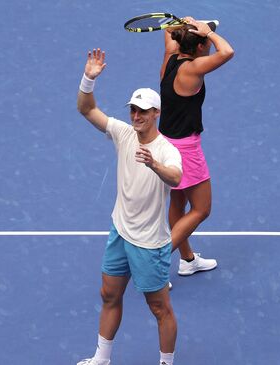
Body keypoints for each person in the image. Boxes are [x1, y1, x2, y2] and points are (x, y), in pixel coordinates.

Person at [76, 48, 183, 365]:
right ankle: (102, 358)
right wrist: (88, 79)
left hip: (149, 244)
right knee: (109, 294)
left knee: (159, 308)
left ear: (156, 114)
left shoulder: (167, 149)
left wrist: (154, 166)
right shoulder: (123, 133)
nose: (136, 116)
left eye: (143, 111)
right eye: (133, 110)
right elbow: (86, 109)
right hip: (120, 233)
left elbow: (176, 177)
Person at [159, 17, 234, 277]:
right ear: (200, 47)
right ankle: (153, 262)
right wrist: (207, 32)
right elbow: (227, 52)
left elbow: (169, 34)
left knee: (177, 205)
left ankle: (187, 259)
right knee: (201, 209)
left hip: (165, 144)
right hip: (185, 150)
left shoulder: (170, 58)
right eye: (206, 41)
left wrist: (193, 26)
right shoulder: (193, 69)